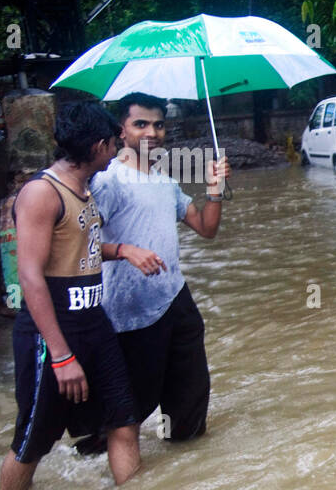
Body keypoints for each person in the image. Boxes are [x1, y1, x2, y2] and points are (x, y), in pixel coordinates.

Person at [0, 102, 165, 490]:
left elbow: (78, 249)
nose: (118, 149)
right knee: (33, 441)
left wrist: (122, 250)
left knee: (123, 420)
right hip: (52, 332)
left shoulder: (85, 190)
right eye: (113, 142)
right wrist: (60, 355)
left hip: (95, 323)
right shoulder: (42, 193)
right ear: (97, 145)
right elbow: (31, 276)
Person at [83, 92, 229, 451]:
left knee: (190, 395)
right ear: (122, 130)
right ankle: (93, 455)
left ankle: (186, 462)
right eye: (141, 124)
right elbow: (77, 247)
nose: (152, 132)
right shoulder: (108, 181)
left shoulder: (165, 182)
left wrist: (215, 192)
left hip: (175, 297)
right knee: (131, 406)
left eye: (159, 125)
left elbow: (206, 229)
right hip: (130, 310)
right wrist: (124, 251)